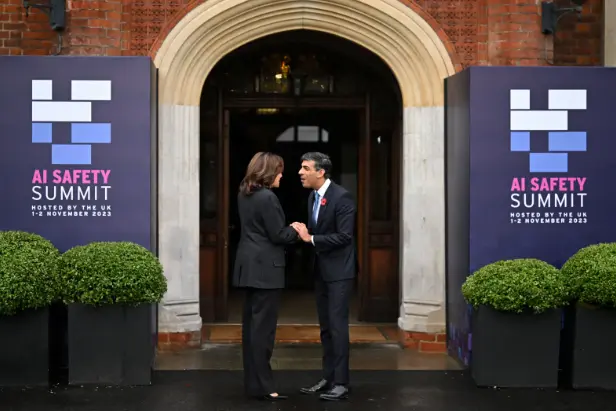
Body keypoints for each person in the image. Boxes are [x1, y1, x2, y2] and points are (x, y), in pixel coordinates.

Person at [291, 152, 356, 401]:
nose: (300, 172)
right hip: (321, 271)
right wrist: (304, 233)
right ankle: (328, 378)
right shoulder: (313, 197)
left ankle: (341, 383)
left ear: (321, 172)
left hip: (340, 273)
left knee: (338, 327)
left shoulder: (342, 197)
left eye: (306, 168)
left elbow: (345, 236)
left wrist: (311, 238)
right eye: (301, 167)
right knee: (326, 328)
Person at [232, 152, 298, 401]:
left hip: (249, 267)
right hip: (266, 269)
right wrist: (296, 229)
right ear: (269, 172)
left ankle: (254, 384)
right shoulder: (268, 197)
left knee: (251, 329)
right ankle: (265, 386)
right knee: (263, 332)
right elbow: (278, 235)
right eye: (279, 170)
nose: (282, 175)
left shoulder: (244, 194)